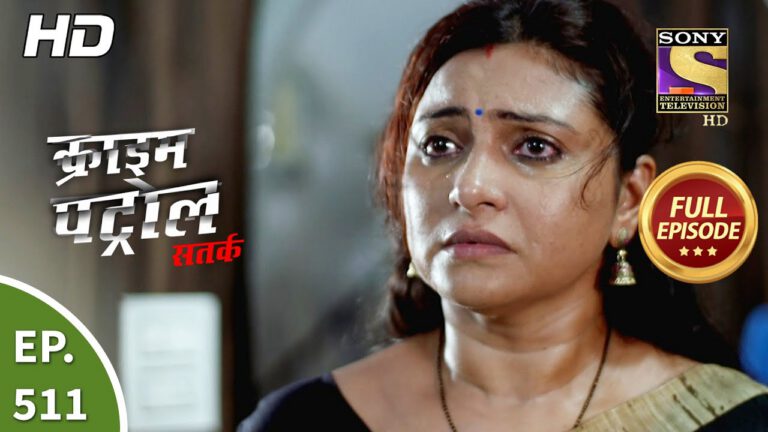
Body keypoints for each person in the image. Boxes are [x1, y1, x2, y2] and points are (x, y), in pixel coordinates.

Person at [240, 0, 768, 430]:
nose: (469, 188)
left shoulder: (731, 420)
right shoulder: (303, 421)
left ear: (628, 200)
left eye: (535, 147)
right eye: (440, 144)